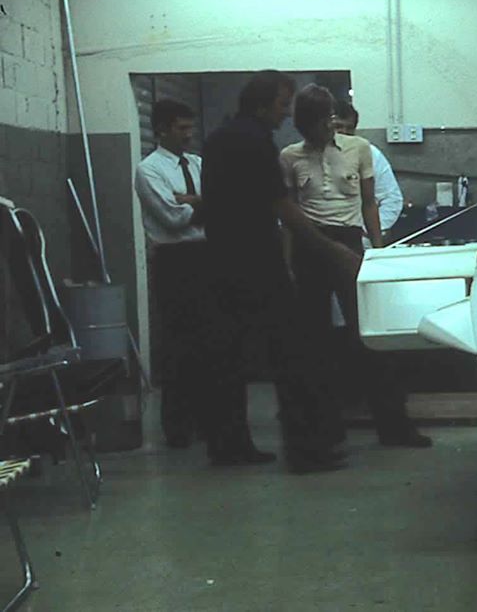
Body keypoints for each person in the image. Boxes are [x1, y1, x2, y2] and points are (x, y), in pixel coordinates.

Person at [201, 70, 359, 472]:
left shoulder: (219, 139)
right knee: (294, 357)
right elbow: (283, 207)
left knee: (229, 359)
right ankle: (307, 452)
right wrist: (330, 249)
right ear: (261, 104)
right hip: (256, 263)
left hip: (221, 260)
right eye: (282, 104)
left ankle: (229, 446)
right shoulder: (257, 143)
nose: (285, 114)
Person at [279, 84, 431, 448]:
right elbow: (289, 214)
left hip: (349, 243)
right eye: (311, 126)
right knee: (314, 342)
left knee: (369, 335)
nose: (321, 131)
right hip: (309, 245)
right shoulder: (289, 156)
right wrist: (288, 264)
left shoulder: (359, 149)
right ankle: (325, 431)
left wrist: (376, 253)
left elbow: (369, 203)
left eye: (324, 123)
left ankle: (394, 426)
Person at [134, 99, 209, 448]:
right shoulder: (149, 170)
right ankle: (178, 427)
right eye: (181, 128)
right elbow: (172, 218)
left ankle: (205, 420)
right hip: (174, 261)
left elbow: (225, 202)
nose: (189, 135)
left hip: (206, 255)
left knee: (208, 342)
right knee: (179, 344)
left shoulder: (198, 163)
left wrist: (190, 200)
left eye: (190, 127)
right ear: (161, 129)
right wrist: (202, 204)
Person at [332, 102, 403, 243]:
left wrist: (369, 230)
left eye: (350, 128)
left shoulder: (369, 153)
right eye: (338, 126)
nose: (344, 132)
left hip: (359, 237)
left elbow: (392, 199)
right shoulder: (310, 155)